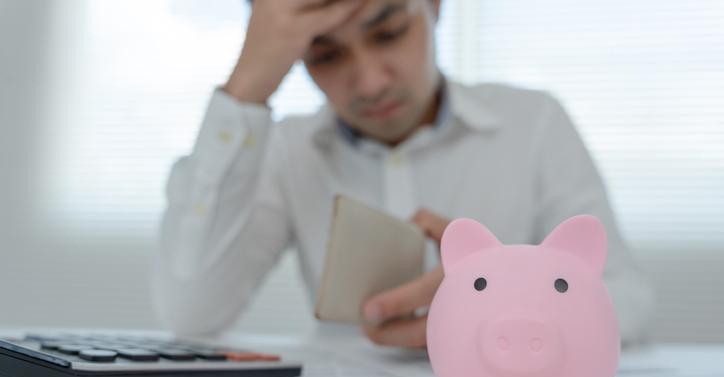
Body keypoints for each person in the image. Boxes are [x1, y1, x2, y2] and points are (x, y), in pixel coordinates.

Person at [152, 0, 654, 347]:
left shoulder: (534, 123)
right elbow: (191, 315)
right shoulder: (286, 151)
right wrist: (245, 89)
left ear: (435, 6)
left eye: (389, 33)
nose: (370, 82)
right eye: (325, 55)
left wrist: (503, 301)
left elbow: (625, 300)